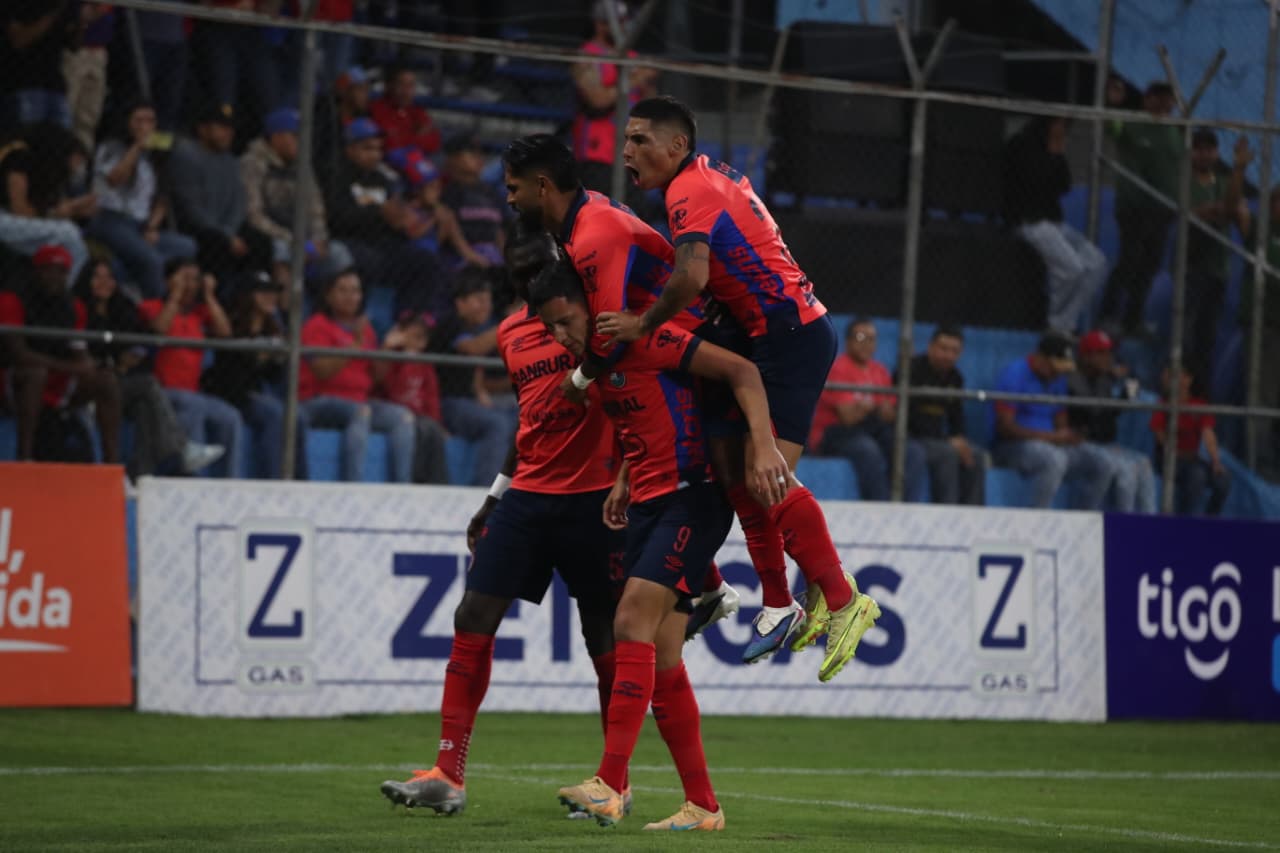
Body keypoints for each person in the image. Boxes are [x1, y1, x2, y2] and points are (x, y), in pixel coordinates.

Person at [595, 96, 878, 678]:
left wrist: (643, 324)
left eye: (640, 140)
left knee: (764, 477)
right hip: (763, 332)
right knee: (733, 471)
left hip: (790, 335)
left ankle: (843, 598)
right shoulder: (706, 177)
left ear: (677, 146)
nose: (627, 151)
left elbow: (692, 275)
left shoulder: (686, 192)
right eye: (625, 139)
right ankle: (779, 603)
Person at [535, 260, 789, 831]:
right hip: (650, 504)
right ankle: (703, 805)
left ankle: (609, 784)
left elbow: (743, 371)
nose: (559, 335)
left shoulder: (649, 337)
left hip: (693, 496)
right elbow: (648, 420)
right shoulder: (599, 365)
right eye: (549, 328)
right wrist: (626, 478)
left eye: (565, 320)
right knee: (666, 660)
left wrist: (764, 446)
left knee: (630, 620)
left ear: (592, 306)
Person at [378, 235, 623, 817]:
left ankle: (615, 780)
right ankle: (448, 774)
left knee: (603, 637)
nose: (525, 276)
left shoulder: (595, 323)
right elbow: (530, 419)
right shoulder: (511, 334)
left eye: (536, 266)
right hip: (529, 495)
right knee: (473, 614)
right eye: (517, 269)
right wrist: (494, 497)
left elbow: (631, 400)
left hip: (593, 498)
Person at [499, 133, 735, 640]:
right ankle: (711, 586)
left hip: (691, 340)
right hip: (672, 341)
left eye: (514, 187)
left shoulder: (592, 235)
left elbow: (608, 334)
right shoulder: (581, 221)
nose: (509, 197)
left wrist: (579, 378)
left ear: (543, 186)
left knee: (729, 477)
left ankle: (779, 596)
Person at [74, 258, 225, 478]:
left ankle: (140, 474)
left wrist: (209, 295)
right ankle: (182, 453)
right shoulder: (81, 308)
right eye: (97, 277)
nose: (104, 283)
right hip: (96, 384)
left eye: (109, 277)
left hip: (126, 382)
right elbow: (156, 332)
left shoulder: (122, 307)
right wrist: (115, 361)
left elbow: (141, 346)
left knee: (146, 404)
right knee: (159, 390)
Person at [0, 245, 120, 463]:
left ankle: (113, 465)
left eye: (62, 271)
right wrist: (71, 367)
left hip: (57, 380)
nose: (55, 276)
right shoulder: (12, 300)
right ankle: (24, 458)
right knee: (35, 373)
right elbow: (19, 354)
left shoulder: (74, 307)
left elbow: (80, 353)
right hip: (14, 380)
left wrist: (88, 365)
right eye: (48, 269)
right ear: (36, 271)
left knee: (106, 380)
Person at [299, 268, 416, 482]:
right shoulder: (317, 325)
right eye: (342, 290)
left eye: (355, 291)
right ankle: (353, 485)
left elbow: (376, 377)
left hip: (359, 400)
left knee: (403, 418)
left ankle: (402, 486)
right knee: (360, 413)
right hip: (319, 399)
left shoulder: (365, 329)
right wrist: (355, 344)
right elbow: (321, 371)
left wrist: (387, 348)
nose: (350, 296)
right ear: (328, 295)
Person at [324, 117, 445, 313]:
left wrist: (407, 224)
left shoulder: (383, 179)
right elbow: (335, 218)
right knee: (363, 260)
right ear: (350, 149)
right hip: (350, 242)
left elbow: (396, 216)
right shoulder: (336, 176)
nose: (375, 154)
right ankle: (356, 318)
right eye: (367, 148)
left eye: (378, 149)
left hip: (383, 245)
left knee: (425, 260)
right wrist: (378, 213)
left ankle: (410, 319)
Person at [140, 257, 246, 477]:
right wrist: (175, 295)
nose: (190, 285)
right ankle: (191, 475)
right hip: (161, 391)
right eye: (184, 278)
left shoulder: (199, 314)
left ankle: (229, 479)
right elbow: (158, 331)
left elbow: (225, 332)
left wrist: (209, 295)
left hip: (193, 392)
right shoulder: (152, 306)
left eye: (195, 280)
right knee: (193, 405)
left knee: (230, 417)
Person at [1004, 116, 1107, 333]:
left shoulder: (1054, 149)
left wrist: (1057, 154)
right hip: (1029, 221)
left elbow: (1064, 186)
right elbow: (1031, 183)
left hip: (1053, 222)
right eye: (1058, 124)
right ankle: (1054, 322)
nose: (1062, 129)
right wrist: (1051, 155)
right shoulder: (1021, 145)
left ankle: (1065, 322)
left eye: (1065, 125)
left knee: (1096, 264)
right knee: (1071, 269)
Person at [991, 331, 1117, 509]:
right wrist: (1052, 437)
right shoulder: (1014, 375)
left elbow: (1060, 423)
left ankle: (1082, 518)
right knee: (1054, 459)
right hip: (1012, 447)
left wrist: (1069, 436)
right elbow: (1005, 429)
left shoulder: (1058, 379)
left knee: (1103, 462)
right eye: (1053, 368)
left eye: (1061, 370)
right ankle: (1037, 517)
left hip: (1050, 444)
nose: (1056, 374)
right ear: (1040, 358)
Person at [201, 270, 308, 479]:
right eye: (263, 292)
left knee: (298, 417)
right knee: (274, 414)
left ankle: (299, 481)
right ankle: (273, 480)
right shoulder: (232, 322)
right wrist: (256, 357)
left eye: (273, 292)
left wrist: (276, 360)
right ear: (248, 295)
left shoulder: (272, 329)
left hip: (254, 394)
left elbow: (273, 376)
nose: (270, 297)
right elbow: (228, 368)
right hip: (230, 393)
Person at [87, 100, 198, 299]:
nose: (145, 126)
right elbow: (115, 179)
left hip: (140, 225)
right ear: (127, 122)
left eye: (150, 121)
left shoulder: (155, 155)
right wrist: (137, 146)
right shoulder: (111, 146)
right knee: (152, 261)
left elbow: (162, 197)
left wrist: (152, 227)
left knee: (187, 246)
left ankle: (135, 276)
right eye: (139, 120)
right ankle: (158, 307)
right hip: (111, 219)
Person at [809, 317, 926, 502]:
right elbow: (848, 418)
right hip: (835, 432)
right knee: (868, 449)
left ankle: (904, 507)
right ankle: (880, 506)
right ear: (848, 341)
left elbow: (889, 415)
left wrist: (868, 408)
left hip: (870, 429)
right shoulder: (838, 367)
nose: (867, 344)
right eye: (861, 337)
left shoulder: (880, 371)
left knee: (912, 451)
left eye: (871, 339)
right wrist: (875, 408)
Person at [1099, 82, 1181, 339]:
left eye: (1167, 99)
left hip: (1162, 209)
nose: (1163, 103)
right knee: (1129, 261)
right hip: (1135, 206)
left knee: (1149, 266)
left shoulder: (1175, 130)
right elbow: (1112, 127)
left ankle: (1133, 320)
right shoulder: (1134, 123)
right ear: (1147, 99)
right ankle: (1107, 316)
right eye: (1158, 97)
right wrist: (1112, 105)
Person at [240, 107, 353, 290]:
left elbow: (316, 208)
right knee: (281, 250)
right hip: (272, 235)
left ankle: (329, 306)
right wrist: (294, 240)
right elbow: (253, 215)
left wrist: (318, 239)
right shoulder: (252, 163)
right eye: (295, 136)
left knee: (339, 253)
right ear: (276, 137)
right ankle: (287, 304)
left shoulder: (302, 165)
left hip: (303, 237)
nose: (302, 142)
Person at [168, 102, 272, 284]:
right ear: (202, 129)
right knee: (216, 244)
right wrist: (226, 236)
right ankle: (219, 293)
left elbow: (239, 201)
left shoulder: (230, 161)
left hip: (226, 228)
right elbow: (192, 209)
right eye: (222, 127)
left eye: (230, 128)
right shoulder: (186, 155)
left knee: (260, 242)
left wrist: (230, 232)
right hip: (197, 227)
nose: (229, 133)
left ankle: (256, 289)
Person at [570, 0, 658, 214]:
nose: (622, 27)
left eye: (623, 22)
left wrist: (649, 83)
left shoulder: (632, 58)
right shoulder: (588, 56)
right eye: (616, 22)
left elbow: (651, 105)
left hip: (632, 154)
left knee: (635, 217)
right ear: (600, 24)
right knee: (598, 214)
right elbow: (598, 99)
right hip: (597, 154)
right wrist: (634, 78)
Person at [432, 268, 517, 485]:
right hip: (448, 403)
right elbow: (472, 349)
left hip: (470, 402)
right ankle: (486, 488)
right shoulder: (450, 323)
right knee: (497, 424)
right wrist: (510, 323)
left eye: (488, 301)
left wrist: (480, 394)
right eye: (479, 300)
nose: (486, 306)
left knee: (524, 415)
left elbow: (476, 372)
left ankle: (523, 486)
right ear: (460, 303)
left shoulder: (475, 328)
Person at [1184, 129, 1249, 386]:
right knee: (1186, 332)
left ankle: (1201, 391)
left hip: (1217, 268)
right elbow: (1193, 212)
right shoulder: (1185, 180)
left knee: (1207, 335)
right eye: (1199, 149)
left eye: (1209, 149)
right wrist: (1216, 210)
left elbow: (1231, 209)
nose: (1204, 154)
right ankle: (1181, 387)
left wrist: (1239, 170)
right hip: (1190, 266)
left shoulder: (1222, 182)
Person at [1066, 330, 1156, 513]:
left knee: (1144, 463)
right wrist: (1112, 377)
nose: (1108, 358)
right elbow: (1092, 412)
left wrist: (1128, 390)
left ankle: (1149, 521)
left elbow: (1111, 413)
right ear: (1086, 356)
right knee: (1126, 469)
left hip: (1105, 445)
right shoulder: (1074, 379)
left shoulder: (1103, 380)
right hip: (1081, 444)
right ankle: (1120, 522)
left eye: (1108, 353)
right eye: (1101, 353)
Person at [898, 324, 986, 506]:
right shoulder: (910, 371)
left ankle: (972, 512)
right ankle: (947, 510)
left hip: (939, 439)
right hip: (913, 437)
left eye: (954, 351)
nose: (948, 355)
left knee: (975, 456)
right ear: (931, 347)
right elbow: (908, 417)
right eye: (944, 349)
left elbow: (957, 417)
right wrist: (948, 440)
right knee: (947, 454)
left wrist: (960, 438)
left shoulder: (956, 378)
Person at [0, 127, 92, 281]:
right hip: (4, 218)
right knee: (69, 234)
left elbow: (44, 209)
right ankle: (65, 290)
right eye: (77, 159)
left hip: (16, 224)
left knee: (70, 241)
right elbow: (20, 211)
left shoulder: (51, 177)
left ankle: (61, 287)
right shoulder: (19, 159)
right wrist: (56, 213)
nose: (78, 167)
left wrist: (74, 209)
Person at [1151, 364, 1231, 516]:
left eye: (1182, 375)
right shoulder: (1164, 404)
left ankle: (1211, 520)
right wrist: (1175, 452)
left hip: (1192, 459)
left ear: (1189, 379)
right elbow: (1159, 434)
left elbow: (1208, 433)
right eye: (1174, 376)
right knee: (1197, 475)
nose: (1179, 380)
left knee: (1223, 479)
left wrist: (1215, 461)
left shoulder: (1199, 405)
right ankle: (1186, 519)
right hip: (1169, 459)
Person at [379, 312, 449, 484]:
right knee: (420, 429)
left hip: (420, 416)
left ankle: (438, 484)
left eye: (422, 336)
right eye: (414, 334)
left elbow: (431, 398)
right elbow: (392, 389)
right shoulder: (392, 358)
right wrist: (405, 358)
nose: (418, 340)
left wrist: (437, 422)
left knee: (434, 431)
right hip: (397, 411)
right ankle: (417, 481)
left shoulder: (425, 364)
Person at [439, 134, 510, 270]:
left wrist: (506, 260)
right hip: (458, 261)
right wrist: (469, 255)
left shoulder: (491, 193)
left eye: (480, 153)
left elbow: (498, 231)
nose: (479, 158)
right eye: (471, 153)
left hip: (492, 258)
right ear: (454, 159)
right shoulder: (446, 190)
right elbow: (448, 226)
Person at [0, 1, 74, 128]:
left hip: (55, 85)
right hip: (23, 84)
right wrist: (53, 14)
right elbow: (19, 40)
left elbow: (73, 45)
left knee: (61, 137)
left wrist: (82, 22)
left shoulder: (64, 7)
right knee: (26, 135)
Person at [368, 63, 441, 158]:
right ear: (388, 85)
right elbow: (390, 144)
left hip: (416, 161)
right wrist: (417, 137)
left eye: (411, 85)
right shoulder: (376, 109)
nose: (406, 91)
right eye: (401, 85)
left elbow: (435, 141)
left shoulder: (415, 110)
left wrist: (405, 138)